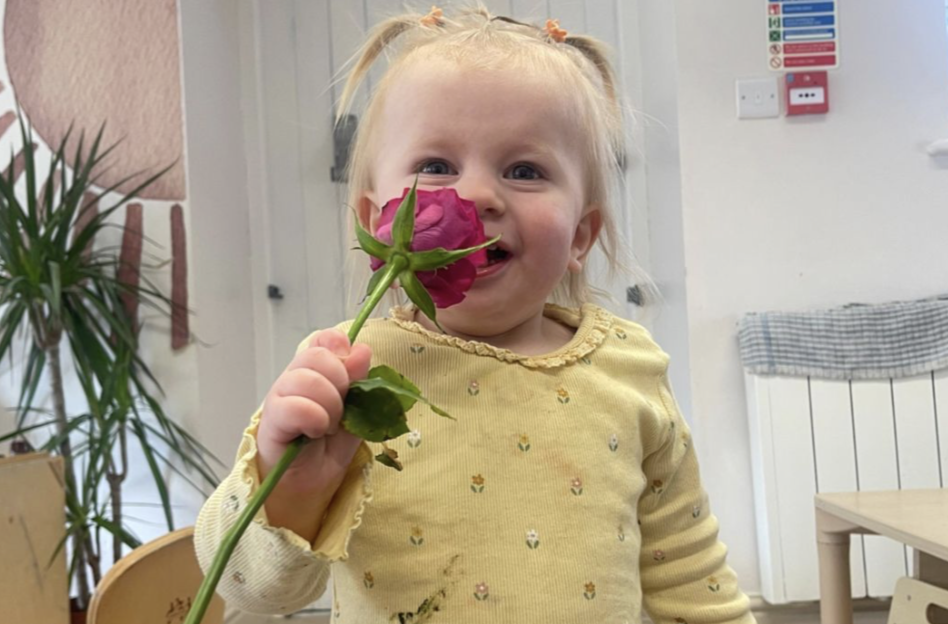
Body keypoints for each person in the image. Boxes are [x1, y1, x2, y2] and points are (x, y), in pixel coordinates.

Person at [195, 4, 755, 623]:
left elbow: (693, 576)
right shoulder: (345, 372)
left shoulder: (630, 369)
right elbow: (252, 590)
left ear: (580, 236)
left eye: (525, 170)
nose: (478, 195)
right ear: (371, 219)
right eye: (435, 167)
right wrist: (292, 486)